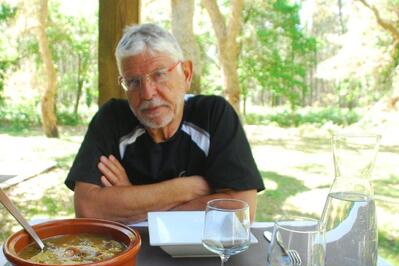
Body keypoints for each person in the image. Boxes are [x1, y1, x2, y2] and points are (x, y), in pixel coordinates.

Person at [65, 23, 264, 224]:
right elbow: (87, 209)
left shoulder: (213, 114)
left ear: (186, 73)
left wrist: (131, 199)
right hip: (130, 252)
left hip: (202, 252)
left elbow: (240, 211)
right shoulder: (112, 118)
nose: (147, 93)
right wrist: (187, 189)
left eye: (159, 74)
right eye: (133, 81)